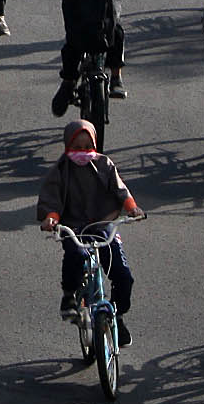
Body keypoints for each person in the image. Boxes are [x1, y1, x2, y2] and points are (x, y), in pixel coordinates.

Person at [37, 118, 144, 338]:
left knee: (123, 275)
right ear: (68, 146)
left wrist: (132, 208)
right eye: (77, 147)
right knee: (76, 255)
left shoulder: (105, 165)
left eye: (88, 147)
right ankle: (69, 296)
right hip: (73, 228)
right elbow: (52, 200)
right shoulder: (60, 170)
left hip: (102, 224)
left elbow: (120, 190)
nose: (83, 152)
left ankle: (117, 317)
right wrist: (51, 219)